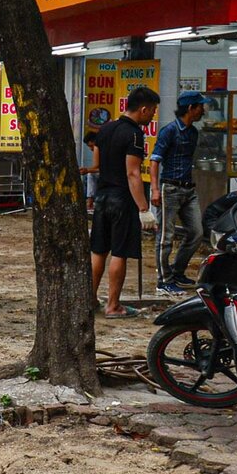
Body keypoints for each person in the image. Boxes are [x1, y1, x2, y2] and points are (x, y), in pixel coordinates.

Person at [89, 86, 160, 317]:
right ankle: (113, 305)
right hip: (121, 199)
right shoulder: (134, 134)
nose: (152, 116)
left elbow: (97, 164)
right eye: (152, 111)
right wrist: (143, 208)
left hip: (102, 197)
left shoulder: (105, 128)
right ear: (143, 109)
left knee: (98, 250)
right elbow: (133, 173)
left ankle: (89, 299)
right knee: (119, 251)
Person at [152, 93, 208, 293]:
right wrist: (155, 189)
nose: (204, 110)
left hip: (188, 188)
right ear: (191, 108)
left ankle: (177, 271)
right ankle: (164, 280)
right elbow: (155, 159)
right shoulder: (169, 131)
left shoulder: (193, 132)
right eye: (201, 106)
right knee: (166, 237)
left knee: (196, 232)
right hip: (170, 188)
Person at [80, 130, 100, 215]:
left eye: (91, 146)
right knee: (88, 176)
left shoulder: (101, 149)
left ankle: (90, 202)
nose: (91, 149)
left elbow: (101, 168)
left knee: (90, 174)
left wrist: (88, 170)